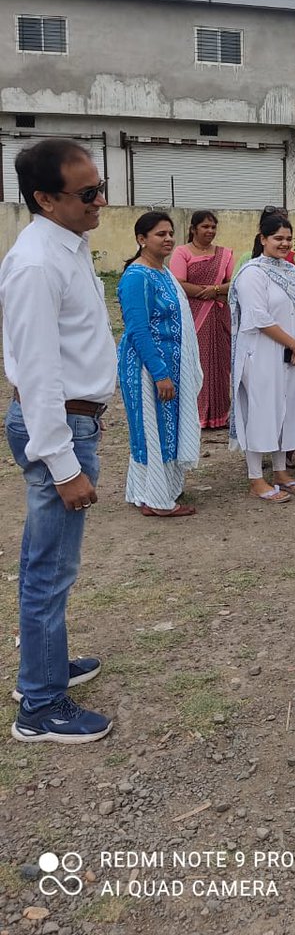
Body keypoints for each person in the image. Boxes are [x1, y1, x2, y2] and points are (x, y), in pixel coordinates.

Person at [0, 139, 117, 743]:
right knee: (51, 568)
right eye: (88, 193)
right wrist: (64, 463)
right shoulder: (37, 263)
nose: (100, 201)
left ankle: (44, 666)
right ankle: (40, 707)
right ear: (45, 198)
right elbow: (37, 373)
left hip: (73, 420)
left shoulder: (67, 246)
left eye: (101, 187)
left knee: (45, 562)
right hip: (57, 427)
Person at [230, 213, 295, 502]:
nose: (284, 243)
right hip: (260, 355)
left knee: (287, 410)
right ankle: (256, 477)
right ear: (263, 239)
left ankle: (281, 472)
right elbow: (258, 317)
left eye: (288, 238)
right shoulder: (252, 273)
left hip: (292, 355)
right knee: (261, 412)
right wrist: (294, 344)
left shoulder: (292, 271)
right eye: (278, 238)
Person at [117, 212, 203, 519]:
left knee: (167, 430)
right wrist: (160, 373)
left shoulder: (163, 273)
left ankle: (157, 490)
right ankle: (155, 499)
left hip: (171, 367)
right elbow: (138, 330)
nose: (168, 239)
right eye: (160, 234)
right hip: (147, 369)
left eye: (170, 233)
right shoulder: (137, 277)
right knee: (151, 431)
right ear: (141, 239)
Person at [170, 210, 234, 431]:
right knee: (196, 364)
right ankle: (196, 416)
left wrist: (214, 290)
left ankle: (219, 415)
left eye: (213, 227)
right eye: (205, 227)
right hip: (193, 315)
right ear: (193, 229)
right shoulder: (182, 252)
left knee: (220, 365)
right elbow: (178, 283)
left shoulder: (224, 254)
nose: (210, 231)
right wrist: (209, 292)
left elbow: (232, 283)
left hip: (218, 317)